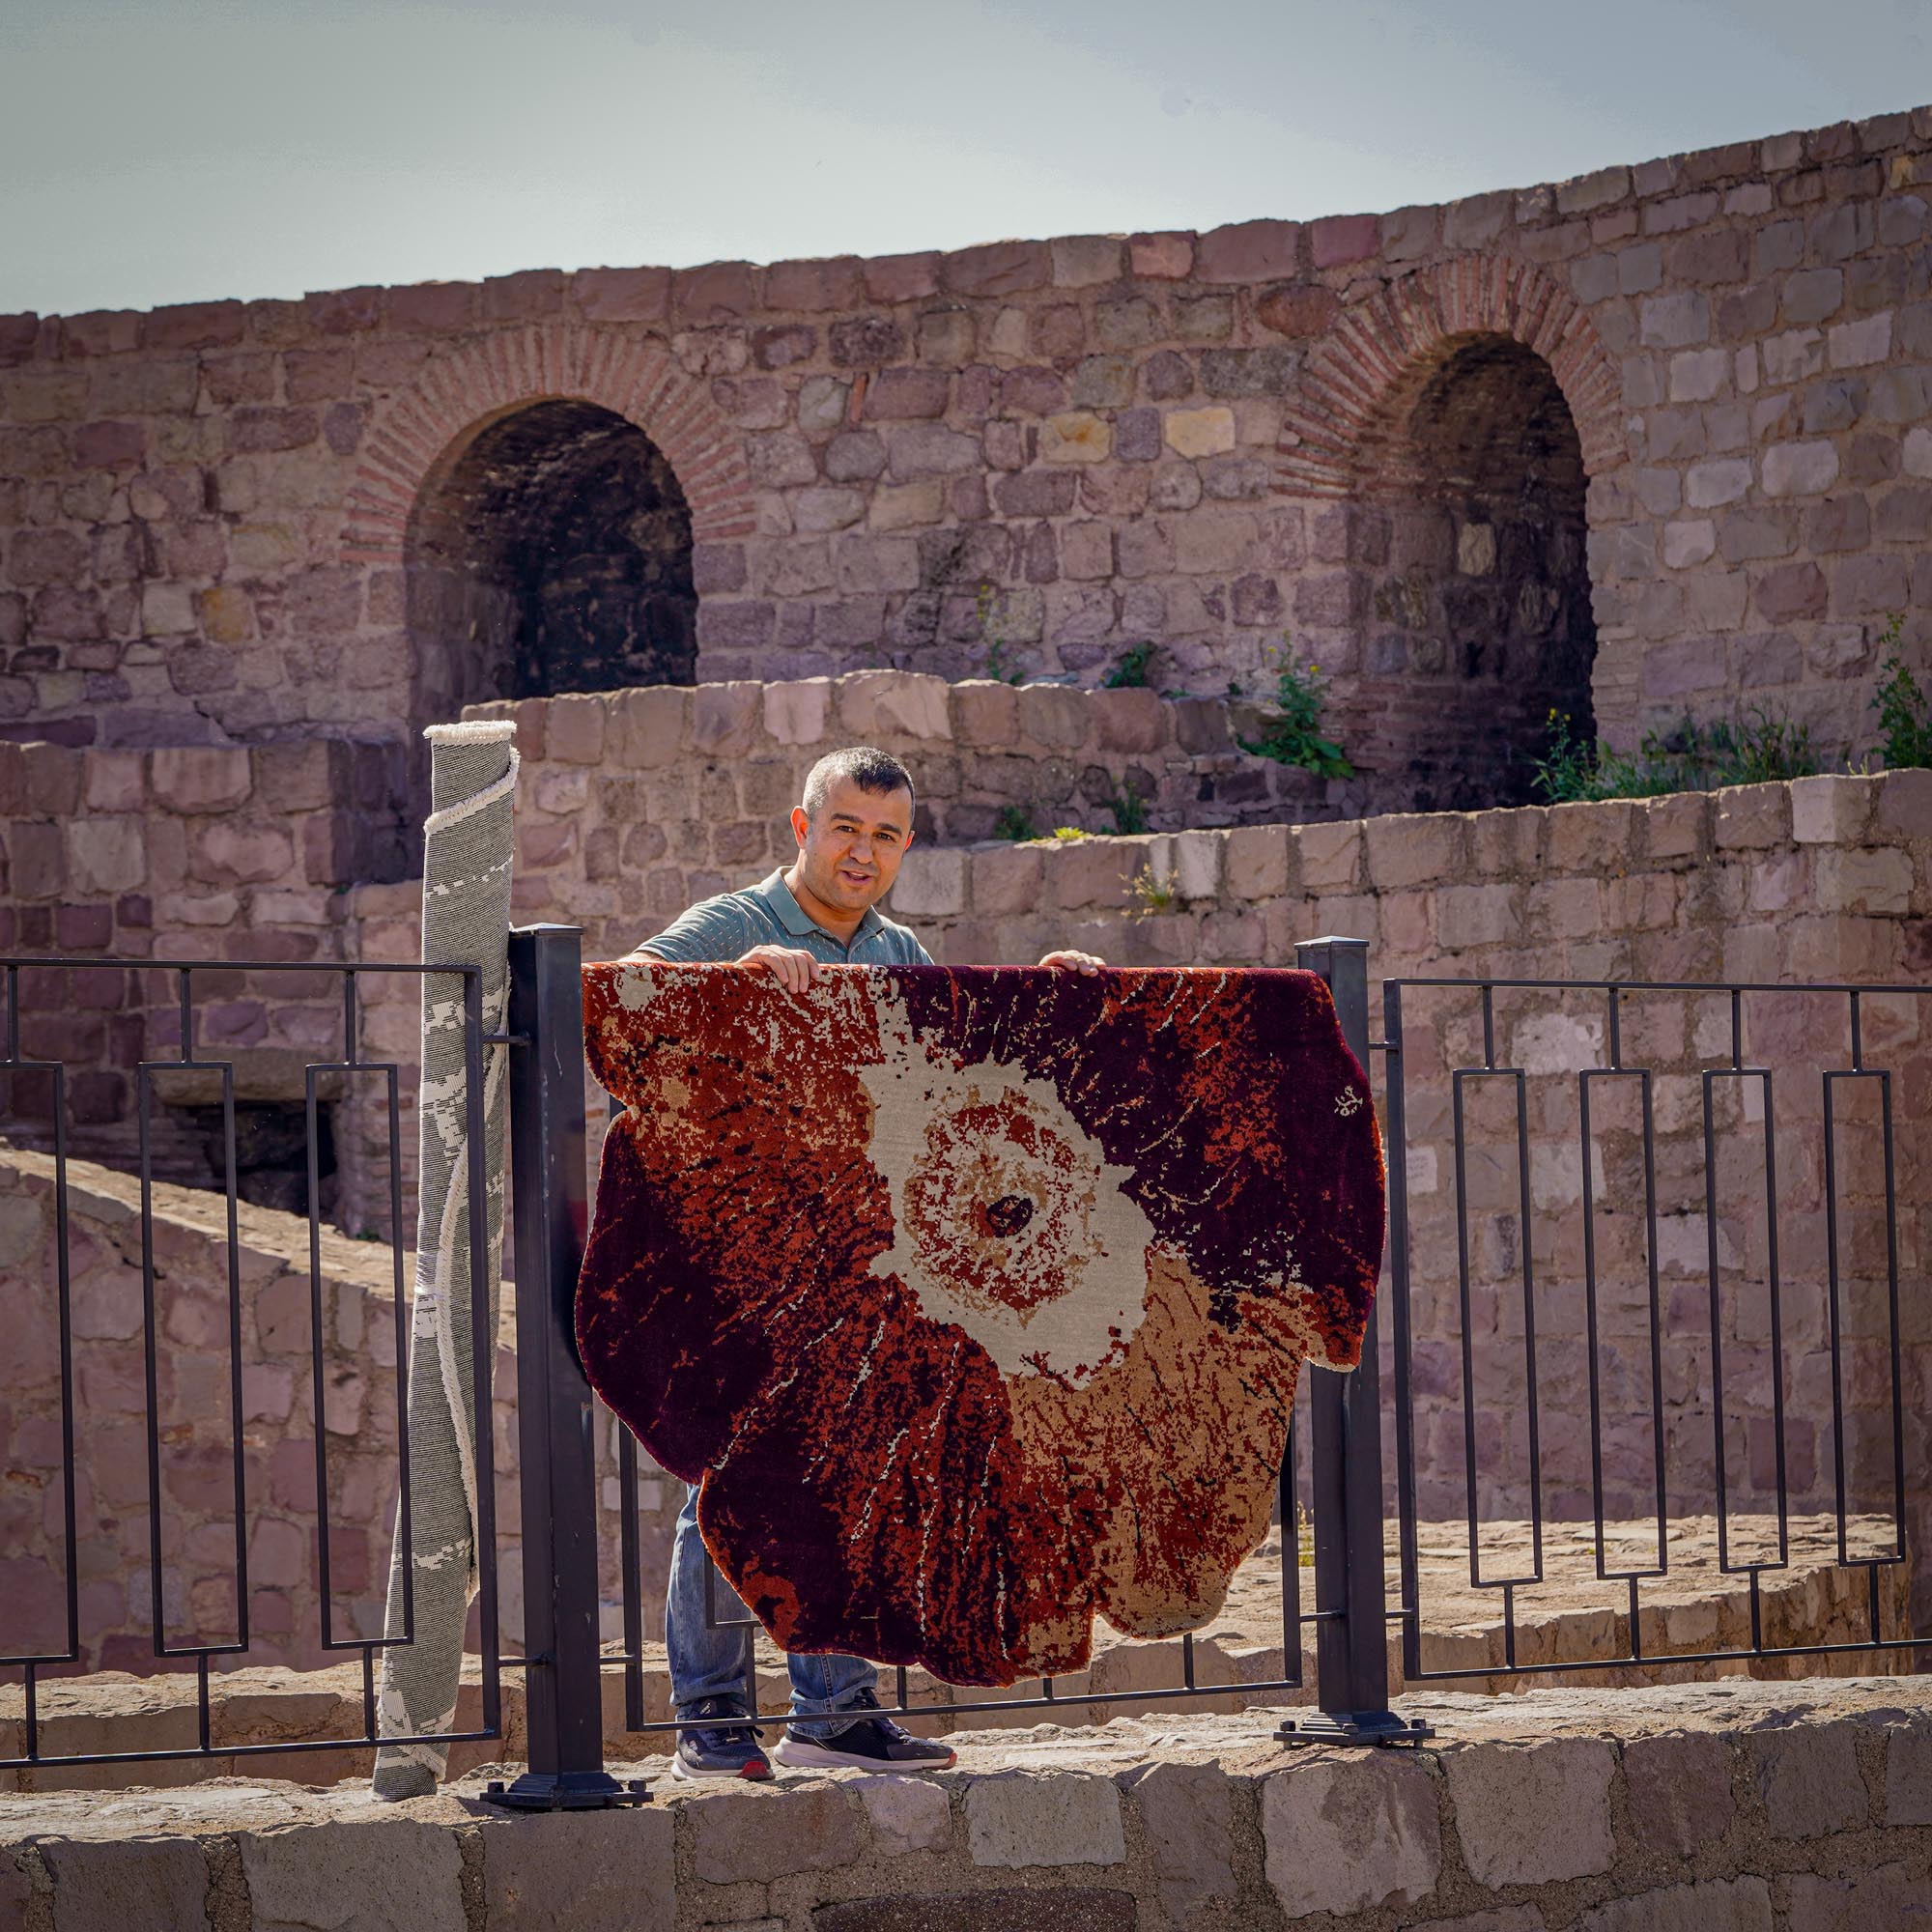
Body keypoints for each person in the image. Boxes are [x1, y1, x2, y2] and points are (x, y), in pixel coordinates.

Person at [629, 744, 1104, 1781]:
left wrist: (1045, 994)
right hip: (740, 1259)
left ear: (903, 848)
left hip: (859, 1265)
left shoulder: (897, 950)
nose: (863, 850)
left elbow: (963, 1069)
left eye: (885, 834)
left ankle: (832, 1714)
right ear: (802, 828)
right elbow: (623, 1004)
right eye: (845, 826)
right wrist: (728, 985)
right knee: (725, 1481)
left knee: (848, 1478)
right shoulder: (733, 924)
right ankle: (709, 1721)